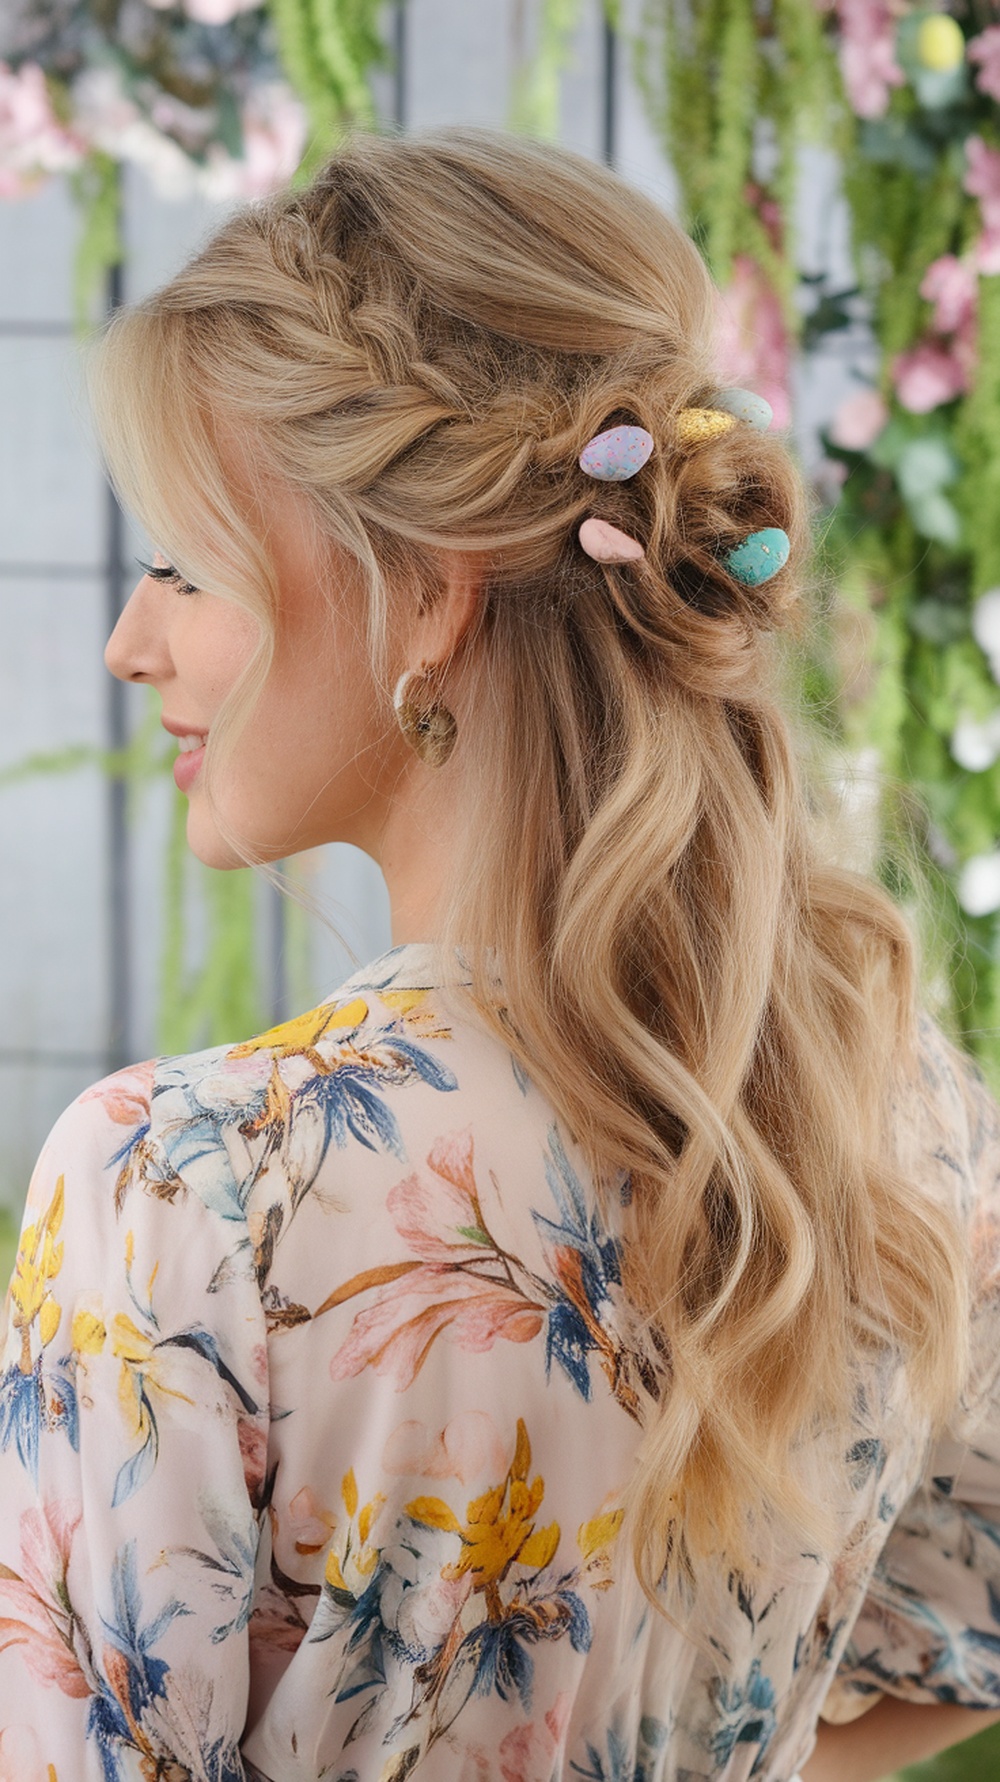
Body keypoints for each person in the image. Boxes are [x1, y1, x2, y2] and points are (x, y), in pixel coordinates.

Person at [1, 127, 1000, 1782]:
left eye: (182, 556)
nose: (131, 637)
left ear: (430, 595)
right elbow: (967, 1622)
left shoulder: (184, 1191)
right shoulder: (906, 1113)